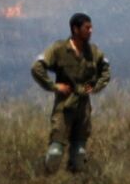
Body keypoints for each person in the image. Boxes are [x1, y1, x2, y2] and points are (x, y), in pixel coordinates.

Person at [31, 11, 111, 175]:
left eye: (91, 28)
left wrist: (94, 87)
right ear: (75, 29)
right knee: (55, 153)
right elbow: (37, 68)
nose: (90, 31)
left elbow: (105, 71)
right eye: (87, 28)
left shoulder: (93, 52)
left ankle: (74, 183)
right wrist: (54, 86)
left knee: (79, 153)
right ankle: (41, 177)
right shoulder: (59, 49)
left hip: (83, 108)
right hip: (64, 107)